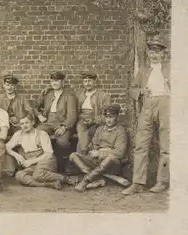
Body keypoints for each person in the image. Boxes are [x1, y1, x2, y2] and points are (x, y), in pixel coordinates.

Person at [123, 34, 171, 195]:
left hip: (166, 104)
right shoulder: (143, 71)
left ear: (162, 53)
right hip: (148, 105)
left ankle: (162, 181)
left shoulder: (171, 68)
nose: (154, 55)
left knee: (166, 145)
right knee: (141, 144)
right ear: (148, 53)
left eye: (157, 52)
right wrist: (141, 92)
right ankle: (137, 183)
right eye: (152, 52)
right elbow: (132, 89)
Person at [7, 113, 78, 189]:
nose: (24, 125)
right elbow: (7, 147)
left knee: (38, 175)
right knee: (19, 175)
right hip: (32, 164)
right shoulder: (18, 134)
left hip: (46, 160)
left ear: (33, 122)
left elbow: (49, 153)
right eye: (22, 124)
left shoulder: (41, 134)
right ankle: (50, 184)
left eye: (27, 122)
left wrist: (31, 161)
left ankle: (65, 179)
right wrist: (16, 155)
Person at [69, 104, 129, 192]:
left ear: (117, 117)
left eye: (112, 117)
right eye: (107, 116)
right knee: (73, 155)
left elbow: (119, 153)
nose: (108, 119)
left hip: (112, 165)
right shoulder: (100, 129)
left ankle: (85, 181)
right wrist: (92, 150)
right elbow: (92, 145)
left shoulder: (120, 131)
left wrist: (100, 152)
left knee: (111, 158)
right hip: (97, 162)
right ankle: (99, 178)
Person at [37, 71, 78, 173]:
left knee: (62, 142)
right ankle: (44, 163)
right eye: (52, 81)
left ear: (62, 82)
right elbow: (36, 106)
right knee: (37, 133)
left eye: (57, 81)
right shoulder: (48, 94)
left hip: (63, 123)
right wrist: (40, 115)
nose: (54, 83)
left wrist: (64, 127)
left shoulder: (69, 96)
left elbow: (72, 115)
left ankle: (68, 160)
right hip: (49, 122)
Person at [75, 71, 111, 154]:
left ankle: (80, 155)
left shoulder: (103, 96)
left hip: (96, 121)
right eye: (85, 81)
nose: (87, 83)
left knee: (88, 133)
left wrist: (94, 120)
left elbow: (106, 115)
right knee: (81, 126)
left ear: (95, 82)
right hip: (81, 119)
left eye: (90, 81)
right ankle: (84, 152)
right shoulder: (78, 94)